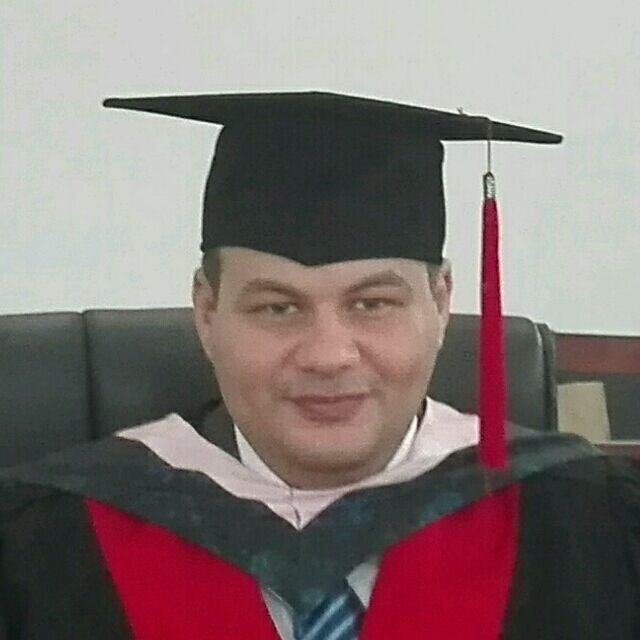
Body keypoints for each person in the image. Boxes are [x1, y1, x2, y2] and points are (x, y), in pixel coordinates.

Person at [0, 92, 638, 639]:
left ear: (441, 302)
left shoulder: (592, 528)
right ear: (207, 310)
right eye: (277, 308)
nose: (328, 355)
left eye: (372, 303)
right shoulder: (42, 544)